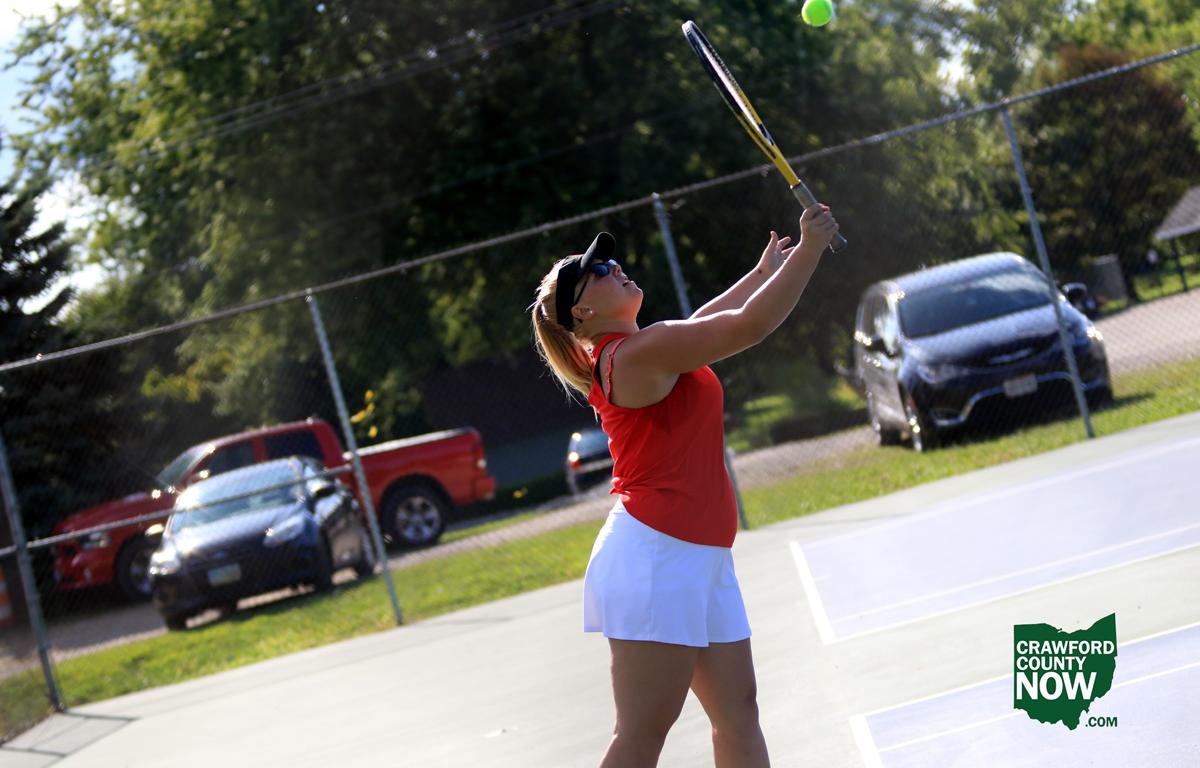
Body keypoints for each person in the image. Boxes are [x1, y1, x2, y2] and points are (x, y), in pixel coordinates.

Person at [529, 203, 839, 767]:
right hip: (657, 558)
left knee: (738, 715)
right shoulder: (635, 354)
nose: (615, 267)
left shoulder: (645, 349)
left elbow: (702, 322)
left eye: (610, 261)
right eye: (599, 271)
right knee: (642, 735)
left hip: (696, 555)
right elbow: (748, 326)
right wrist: (811, 250)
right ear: (583, 311)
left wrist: (763, 273)